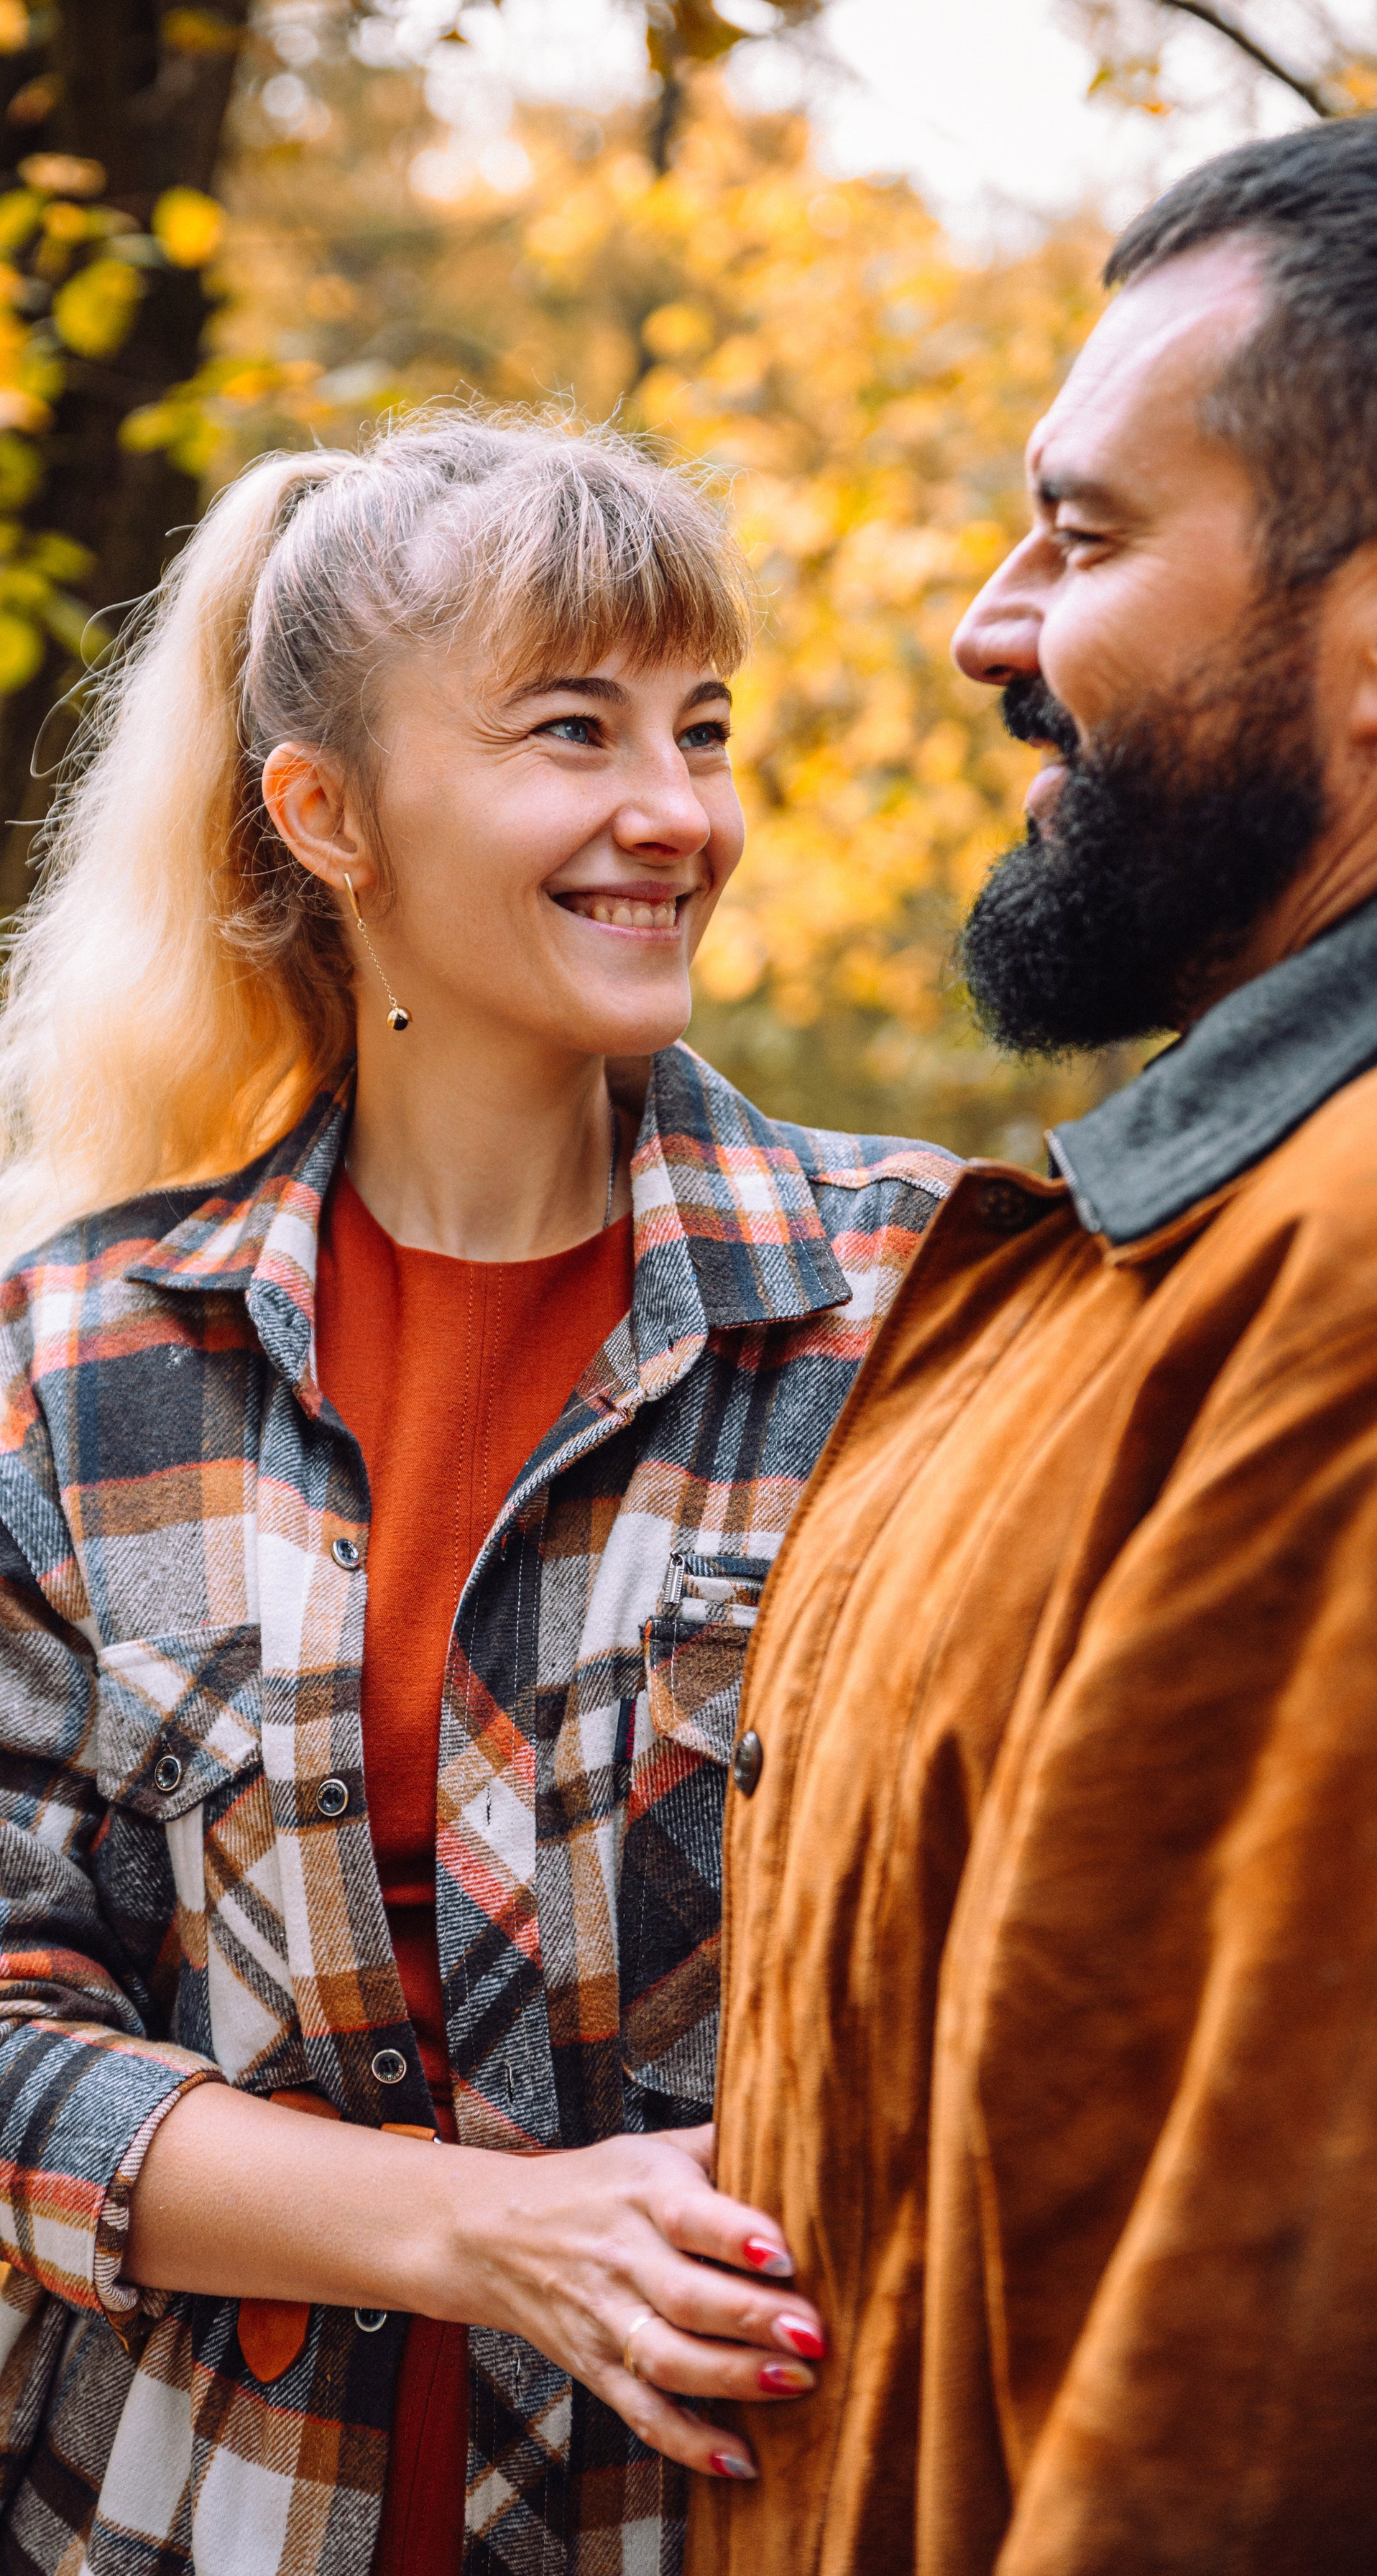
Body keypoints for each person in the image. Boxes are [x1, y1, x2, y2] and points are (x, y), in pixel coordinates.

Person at [0, 412, 956, 2576]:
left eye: (702, 727)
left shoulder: (921, 1309)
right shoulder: (86, 1359)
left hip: (740, 2519)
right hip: (189, 2517)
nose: (675, 811)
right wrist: (476, 2230)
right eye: (572, 730)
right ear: (327, 812)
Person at [693, 115, 1377, 2576]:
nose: (987, 629)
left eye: (1083, 538)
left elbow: (1253, 2379)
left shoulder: (1346, 1300)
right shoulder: (1181, 1241)